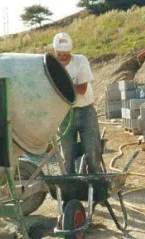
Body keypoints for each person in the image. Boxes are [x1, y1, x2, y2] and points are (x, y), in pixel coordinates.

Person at [52, 32, 102, 174]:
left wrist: (58, 86)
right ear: (54, 50)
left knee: (92, 153)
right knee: (67, 157)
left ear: (70, 50)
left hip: (86, 112)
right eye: (59, 53)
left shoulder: (80, 61)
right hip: (64, 114)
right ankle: (70, 192)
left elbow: (81, 89)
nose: (62, 55)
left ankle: (97, 188)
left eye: (65, 53)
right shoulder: (51, 66)